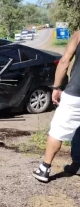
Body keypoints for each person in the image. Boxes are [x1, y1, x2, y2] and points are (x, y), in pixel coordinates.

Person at [33, 31, 80, 182]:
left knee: (58, 130)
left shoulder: (79, 34)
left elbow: (65, 61)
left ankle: (44, 169)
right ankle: (77, 164)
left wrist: (56, 87)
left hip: (76, 93)